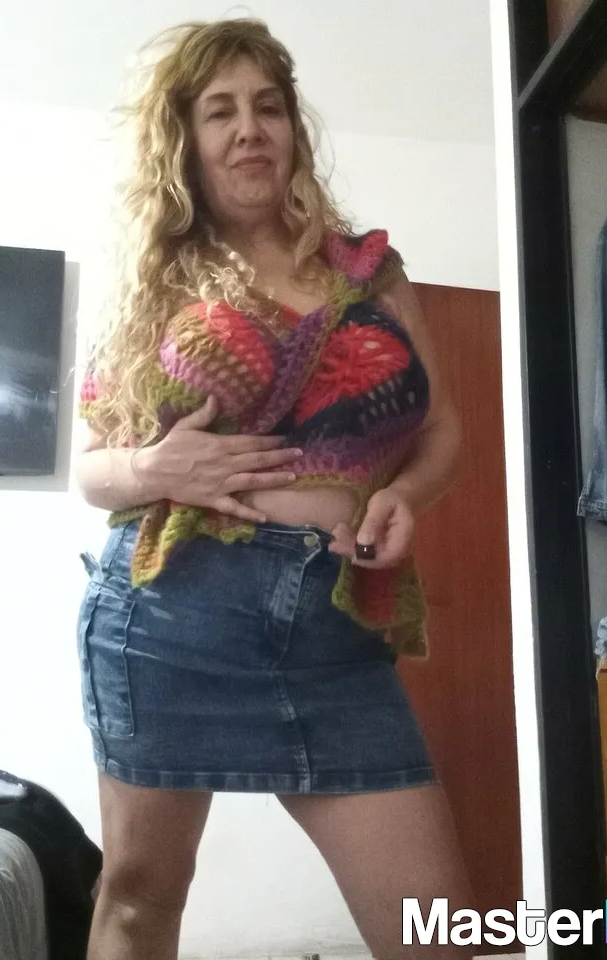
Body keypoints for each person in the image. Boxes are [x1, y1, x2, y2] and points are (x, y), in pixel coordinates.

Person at [74, 18, 470, 960]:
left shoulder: (369, 271)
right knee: (141, 895)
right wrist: (151, 469)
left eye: (268, 107)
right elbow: (92, 466)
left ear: (293, 126)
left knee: (441, 931)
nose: (249, 129)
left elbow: (442, 432)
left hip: (335, 624)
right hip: (173, 613)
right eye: (220, 111)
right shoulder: (154, 277)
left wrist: (406, 496)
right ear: (186, 138)